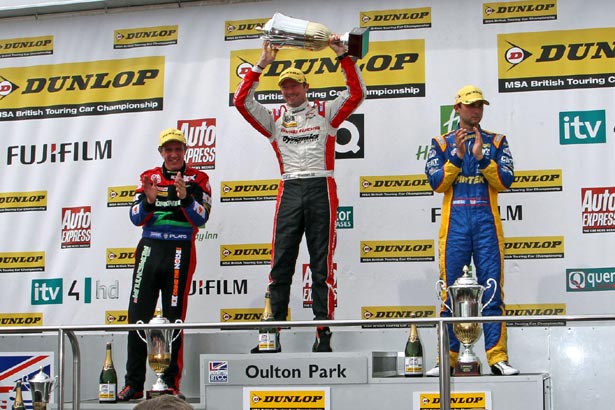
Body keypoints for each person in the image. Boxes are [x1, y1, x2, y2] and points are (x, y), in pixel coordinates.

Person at [233, 38, 366, 352]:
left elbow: (357, 93)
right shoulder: (275, 120)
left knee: (321, 266)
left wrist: (342, 56)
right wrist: (261, 65)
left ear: (306, 88)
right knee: (280, 265)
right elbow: (241, 103)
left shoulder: (326, 113)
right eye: (285, 88)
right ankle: (271, 335)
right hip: (290, 187)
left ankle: (323, 333)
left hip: (321, 186)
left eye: (295, 87)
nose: (290, 92)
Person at [424, 85, 519, 376]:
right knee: (449, 292)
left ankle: (497, 357)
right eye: (469, 105)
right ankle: (447, 359)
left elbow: (505, 181)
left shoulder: (497, 141)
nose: (475, 110)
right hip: (455, 225)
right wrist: (457, 157)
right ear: (457, 109)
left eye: (479, 105)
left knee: (491, 290)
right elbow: (437, 183)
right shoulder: (441, 143)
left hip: (486, 222)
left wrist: (480, 158)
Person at [119, 128, 212, 400]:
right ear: (161, 152)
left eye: (178, 149)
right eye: (168, 150)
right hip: (150, 247)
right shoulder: (149, 178)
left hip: (180, 249)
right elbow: (135, 217)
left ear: (185, 151)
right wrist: (148, 201)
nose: (173, 155)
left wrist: (186, 198)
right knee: (137, 316)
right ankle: (134, 384)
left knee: (174, 318)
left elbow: (201, 218)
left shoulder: (199, 178)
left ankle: (170, 383)